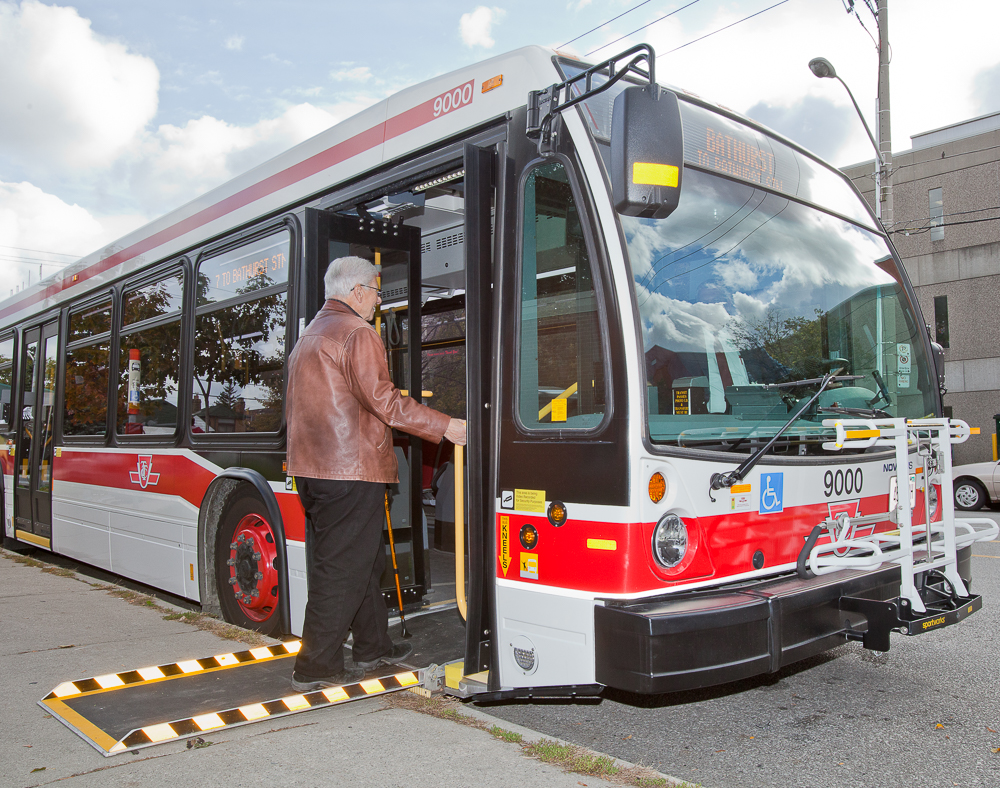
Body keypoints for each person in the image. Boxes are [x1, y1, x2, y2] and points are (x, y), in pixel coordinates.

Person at [285, 255, 466, 691]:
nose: (379, 302)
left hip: (313, 470)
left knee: (361, 561)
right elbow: (385, 401)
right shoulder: (357, 333)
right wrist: (447, 426)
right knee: (342, 569)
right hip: (350, 470)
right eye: (377, 292)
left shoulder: (308, 336)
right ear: (358, 292)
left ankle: (372, 644)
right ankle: (316, 666)